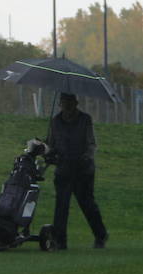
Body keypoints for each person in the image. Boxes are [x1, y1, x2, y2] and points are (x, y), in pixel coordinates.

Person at [45, 91, 108, 249]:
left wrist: (86, 157)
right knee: (61, 205)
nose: (67, 106)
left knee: (87, 204)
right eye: (64, 102)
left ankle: (100, 235)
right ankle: (60, 241)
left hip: (83, 170)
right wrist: (48, 153)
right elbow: (52, 145)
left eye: (69, 102)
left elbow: (91, 144)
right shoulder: (55, 121)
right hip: (63, 169)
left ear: (75, 103)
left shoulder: (85, 120)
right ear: (60, 104)